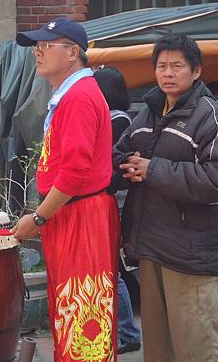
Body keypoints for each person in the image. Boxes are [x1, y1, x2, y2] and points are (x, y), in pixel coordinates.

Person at [112, 33, 218, 362]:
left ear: (196, 71)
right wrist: (127, 168)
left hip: (189, 253)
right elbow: (121, 153)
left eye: (177, 66)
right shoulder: (148, 113)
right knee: (159, 349)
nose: (167, 73)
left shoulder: (211, 116)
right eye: (161, 66)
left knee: (197, 347)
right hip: (150, 248)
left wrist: (153, 170)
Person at [12, 17, 120, 361]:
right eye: (37, 47)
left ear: (73, 52)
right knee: (70, 308)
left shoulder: (78, 97)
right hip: (71, 212)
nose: (38, 53)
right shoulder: (69, 94)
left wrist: (39, 218)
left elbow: (74, 174)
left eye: (47, 46)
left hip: (82, 215)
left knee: (84, 310)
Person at [93, 66, 142, 355]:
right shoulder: (116, 118)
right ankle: (125, 330)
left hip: (117, 200)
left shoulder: (118, 121)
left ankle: (127, 331)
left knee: (115, 270)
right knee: (114, 270)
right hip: (115, 198)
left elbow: (113, 165)